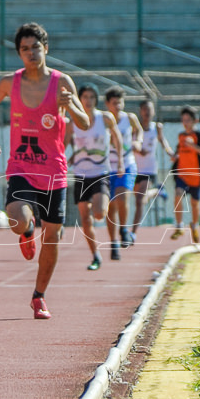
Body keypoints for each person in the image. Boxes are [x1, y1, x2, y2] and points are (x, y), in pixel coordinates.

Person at [0, 23, 89, 319]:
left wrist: (72, 106)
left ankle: (39, 297)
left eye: (36, 47)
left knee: (52, 238)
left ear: (46, 49)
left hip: (53, 170)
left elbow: (84, 123)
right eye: (25, 49)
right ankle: (26, 231)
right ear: (19, 53)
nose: (31, 53)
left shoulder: (62, 82)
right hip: (20, 167)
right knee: (17, 219)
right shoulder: (9, 82)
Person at [68, 84, 123, 271]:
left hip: (100, 172)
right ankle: (95, 255)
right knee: (85, 219)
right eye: (85, 97)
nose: (88, 100)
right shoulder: (72, 122)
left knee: (99, 213)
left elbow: (117, 137)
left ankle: (112, 239)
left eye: (92, 97)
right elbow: (63, 142)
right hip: (81, 174)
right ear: (79, 99)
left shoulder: (105, 118)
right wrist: (68, 158)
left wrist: (120, 161)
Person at [104, 86, 143, 258]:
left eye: (120, 102)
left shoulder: (130, 118)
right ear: (107, 104)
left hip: (127, 163)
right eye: (114, 103)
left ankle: (124, 229)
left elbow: (139, 130)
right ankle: (113, 243)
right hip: (106, 166)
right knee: (110, 205)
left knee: (123, 196)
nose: (118, 106)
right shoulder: (103, 120)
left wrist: (138, 142)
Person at [170, 105, 200, 243]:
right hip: (182, 174)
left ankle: (194, 225)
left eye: (188, 120)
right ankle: (179, 226)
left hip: (196, 176)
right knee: (178, 194)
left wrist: (193, 146)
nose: (185, 123)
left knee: (195, 203)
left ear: (195, 121)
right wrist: (175, 156)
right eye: (183, 120)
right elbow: (179, 152)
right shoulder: (181, 136)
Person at [131, 99, 175, 237]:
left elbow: (162, 140)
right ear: (140, 111)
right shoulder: (135, 127)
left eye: (149, 109)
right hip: (134, 169)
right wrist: (138, 150)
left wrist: (169, 151)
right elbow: (131, 144)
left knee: (140, 201)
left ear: (153, 111)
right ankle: (157, 190)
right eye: (144, 109)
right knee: (138, 198)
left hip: (149, 169)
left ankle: (133, 232)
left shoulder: (157, 127)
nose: (147, 112)